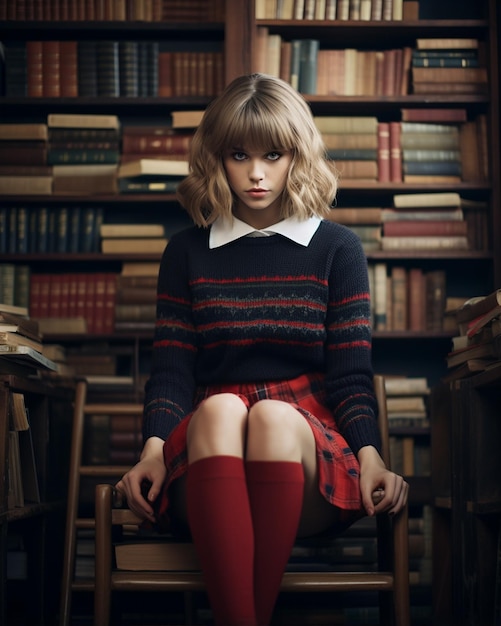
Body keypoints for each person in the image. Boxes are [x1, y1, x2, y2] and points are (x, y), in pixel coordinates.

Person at [116, 73, 408, 626]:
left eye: (273, 155)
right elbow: (172, 370)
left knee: (272, 416)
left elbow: (349, 375)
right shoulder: (185, 252)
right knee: (224, 407)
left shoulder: (336, 248)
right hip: (210, 441)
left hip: (302, 447)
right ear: (215, 159)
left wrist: (371, 457)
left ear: (296, 155)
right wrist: (152, 449)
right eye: (238, 155)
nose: (255, 173)